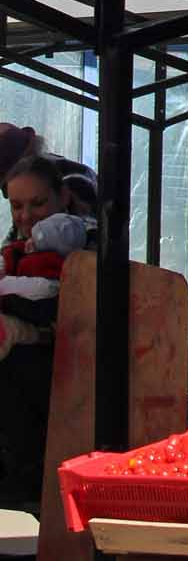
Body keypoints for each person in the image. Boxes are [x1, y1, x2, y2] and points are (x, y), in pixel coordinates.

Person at [0, 154, 92, 508]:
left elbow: (66, 310)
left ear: (62, 196)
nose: (25, 217)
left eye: (37, 203)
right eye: (16, 206)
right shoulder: (15, 246)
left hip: (64, 387)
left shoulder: (83, 242)